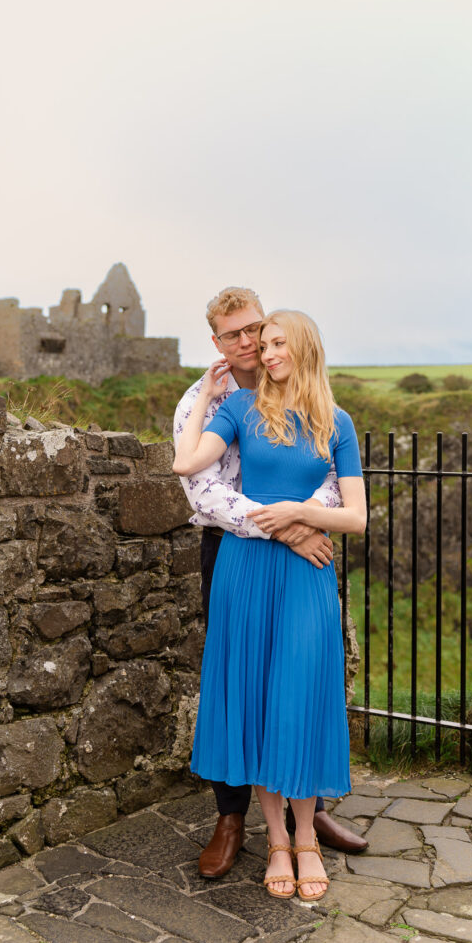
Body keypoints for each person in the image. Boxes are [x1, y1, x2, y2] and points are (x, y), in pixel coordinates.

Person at [173, 305, 367, 900]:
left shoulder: (337, 422)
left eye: (279, 341)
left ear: (304, 347)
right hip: (245, 567)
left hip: (305, 575)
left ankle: (307, 836)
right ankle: (277, 839)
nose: (268, 349)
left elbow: (356, 517)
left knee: (301, 696)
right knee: (256, 697)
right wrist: (207, 393)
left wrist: (303, 513)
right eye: (265, 341)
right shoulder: (235, 407)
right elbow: (186, 465)